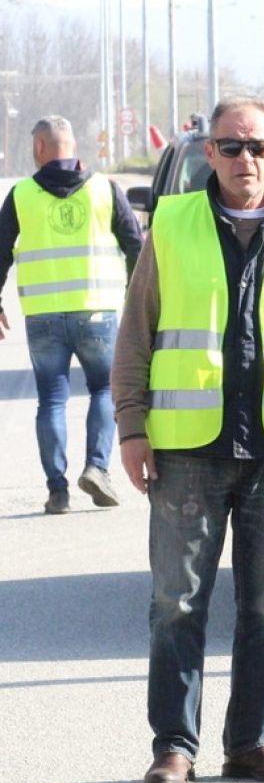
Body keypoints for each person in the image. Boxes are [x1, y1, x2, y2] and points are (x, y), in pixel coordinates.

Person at [110, 95, 264, 783]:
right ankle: (174, 748)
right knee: (176, 603)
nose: (244, 159)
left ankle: (251, 742)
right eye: (229, 146)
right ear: (208, 152)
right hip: (188, 447)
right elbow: (137, 334)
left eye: (257, 146)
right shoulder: (174, 224)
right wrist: (132, 427)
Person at [0, 115, 143, 514]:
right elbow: (136, 247)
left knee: (51, 400)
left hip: (43, 316)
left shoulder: (21, 195)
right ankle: (97, 468)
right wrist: (137, 299)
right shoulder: (105, 190)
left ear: (40, 147)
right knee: (104, 390)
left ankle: (57, 490)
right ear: (73, 146)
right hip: (98, 312)